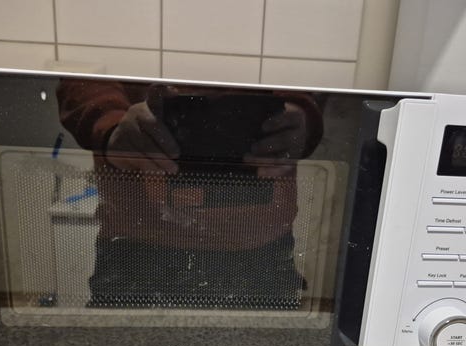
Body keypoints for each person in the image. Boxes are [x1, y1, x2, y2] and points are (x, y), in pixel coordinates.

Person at [57, 79, 323, 310]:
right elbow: (83, 68)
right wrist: (108, 123)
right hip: (139, 245)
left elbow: (303, 72)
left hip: (252, 246)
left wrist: (301, 115)